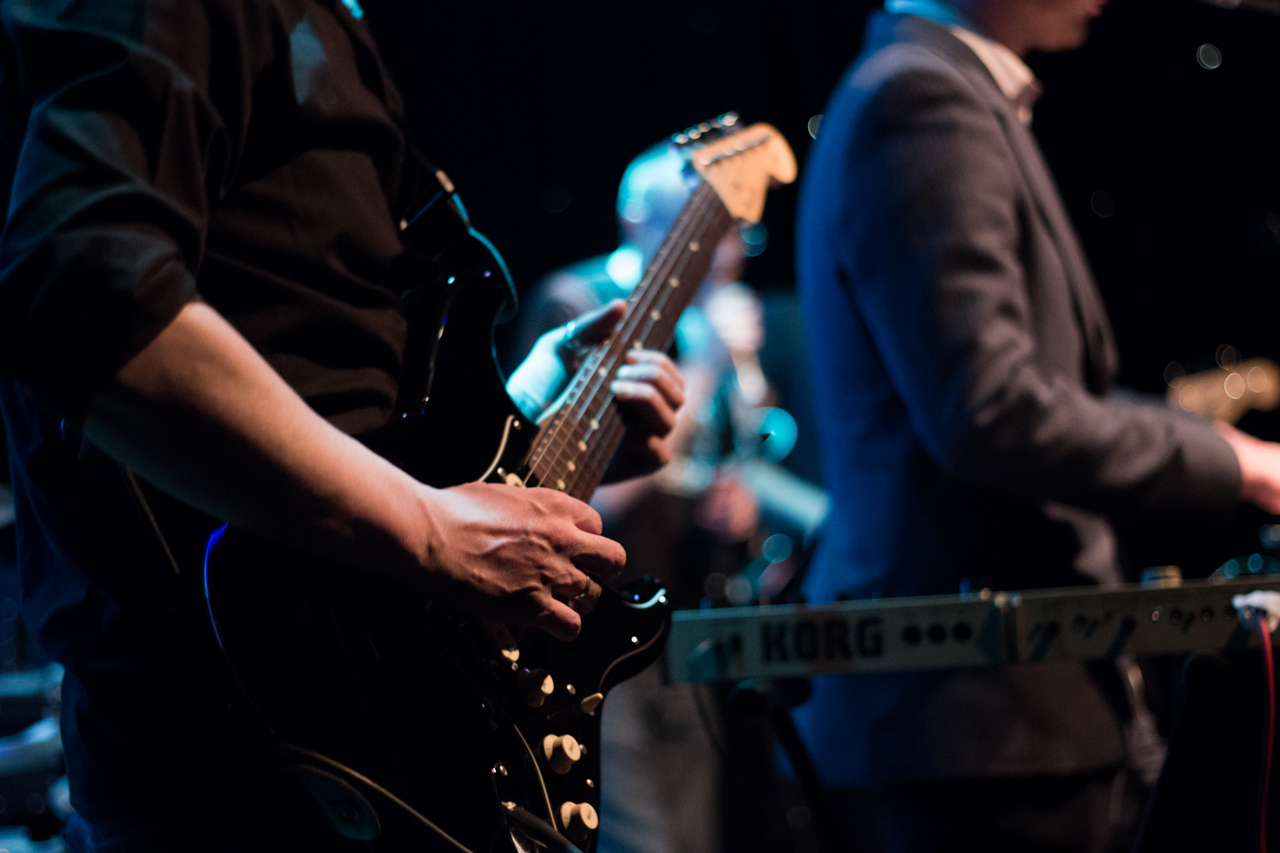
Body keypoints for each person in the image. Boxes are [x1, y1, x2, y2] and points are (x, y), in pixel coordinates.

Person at [0, 2, 683, 849]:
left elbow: (317, 371)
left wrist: (530, 426)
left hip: (366, 718)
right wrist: (428, 528)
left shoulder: (331, 24)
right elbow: (84, 292)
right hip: (241, 748)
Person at [793, 0, 1280, 850]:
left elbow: (1035, 389)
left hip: (1007, 714)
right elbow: (990, 410)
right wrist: (1236, 467)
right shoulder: (921, 98)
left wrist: (1230, 450)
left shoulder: (936, 88)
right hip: (982, 717)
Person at [507, 143, 824, 853]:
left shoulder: (706, 319)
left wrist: (733, 501)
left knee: (695, 837)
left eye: (731, 232)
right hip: (590, 632)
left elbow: (704, 467)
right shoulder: (581, 304)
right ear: (635, 221)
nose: (720, 252)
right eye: (698, 229)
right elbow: (565, 489)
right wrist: (708, 365)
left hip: (680, 621)